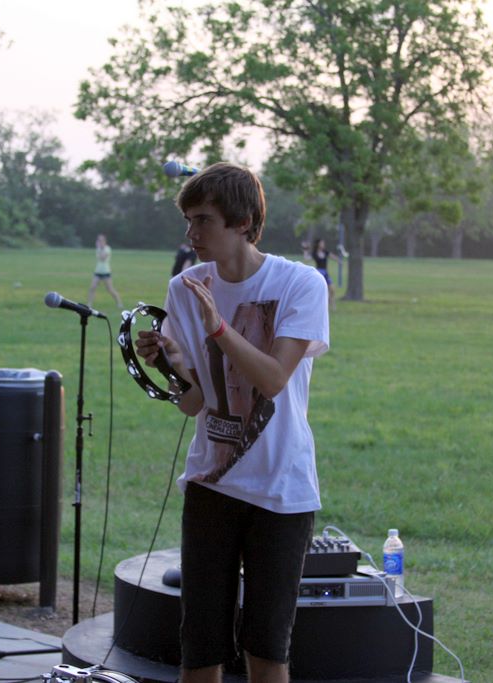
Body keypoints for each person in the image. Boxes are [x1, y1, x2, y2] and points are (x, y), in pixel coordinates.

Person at [135, 162, 329, 683]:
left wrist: (218, 327)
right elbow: (194, 403)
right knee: (199, 651)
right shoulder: (185, 286)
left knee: (266, 650)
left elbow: (273, 379)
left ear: (243, 222)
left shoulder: (300, 283)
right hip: (211, 485)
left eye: (203, 220)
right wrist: (171, 363)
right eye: (188, 220)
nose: (191, 234)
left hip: (280, 489)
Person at [86, 233, 123, 310]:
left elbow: (103, 258)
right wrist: (99, 248)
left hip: (106, 272)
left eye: (101, 240)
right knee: (92, 287)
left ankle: (119, 303)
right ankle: (89, 304)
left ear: (105, 241)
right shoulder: (98, 249)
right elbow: (99, 258)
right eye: (98, 240)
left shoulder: (107, 249)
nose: (100, 241)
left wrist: (99, 248)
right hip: (98, 272)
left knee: (110, 289)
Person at [306, 238, 341, 311]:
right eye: (322, 243)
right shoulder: (314, 253)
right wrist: (305, 250)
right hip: (319, 273)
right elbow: (306, 259)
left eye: (323, 243)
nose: (323, 244)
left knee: (332, 289)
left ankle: (332, 303)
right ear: (318, 244)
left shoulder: (325, 252)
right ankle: (320, 305)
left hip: (325, 273)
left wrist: (339, 260)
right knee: (321, 290)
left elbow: (333, 256)